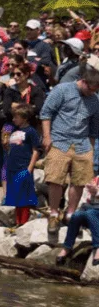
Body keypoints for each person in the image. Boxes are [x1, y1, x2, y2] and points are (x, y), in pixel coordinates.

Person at [40, 67, 99, 235]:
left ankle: (71, 213)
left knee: (79, 180)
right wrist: (46, 137)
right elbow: (46, 113)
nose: (93, 93)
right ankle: (53, 213)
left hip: (83, 143)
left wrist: (91, 149)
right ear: (84, 82)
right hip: (59, 140)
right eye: (92, 89)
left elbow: (94, 128)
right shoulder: (62, 90)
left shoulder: (95, 100)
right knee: (55, 178)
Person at [2, 104, 42, 226]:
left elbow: (36, 150)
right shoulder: (14, 130)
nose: (14, 120)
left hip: (23, 167)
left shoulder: (31, 131)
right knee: (15, 194)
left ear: (24, 118)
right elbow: (10, 148)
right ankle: (17, 221)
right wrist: (5, 143)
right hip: (12, 167)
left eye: (16, 117)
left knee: (23, 195)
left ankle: (23, 221)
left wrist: (30, 167)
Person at [56, 176, 99, 267]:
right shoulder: (97, 178)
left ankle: (98, 246)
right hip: (90, 208)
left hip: (94, 212)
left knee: (90, 213)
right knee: (76, 215)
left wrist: (97, 192)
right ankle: (67, 246)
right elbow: (85, 198)